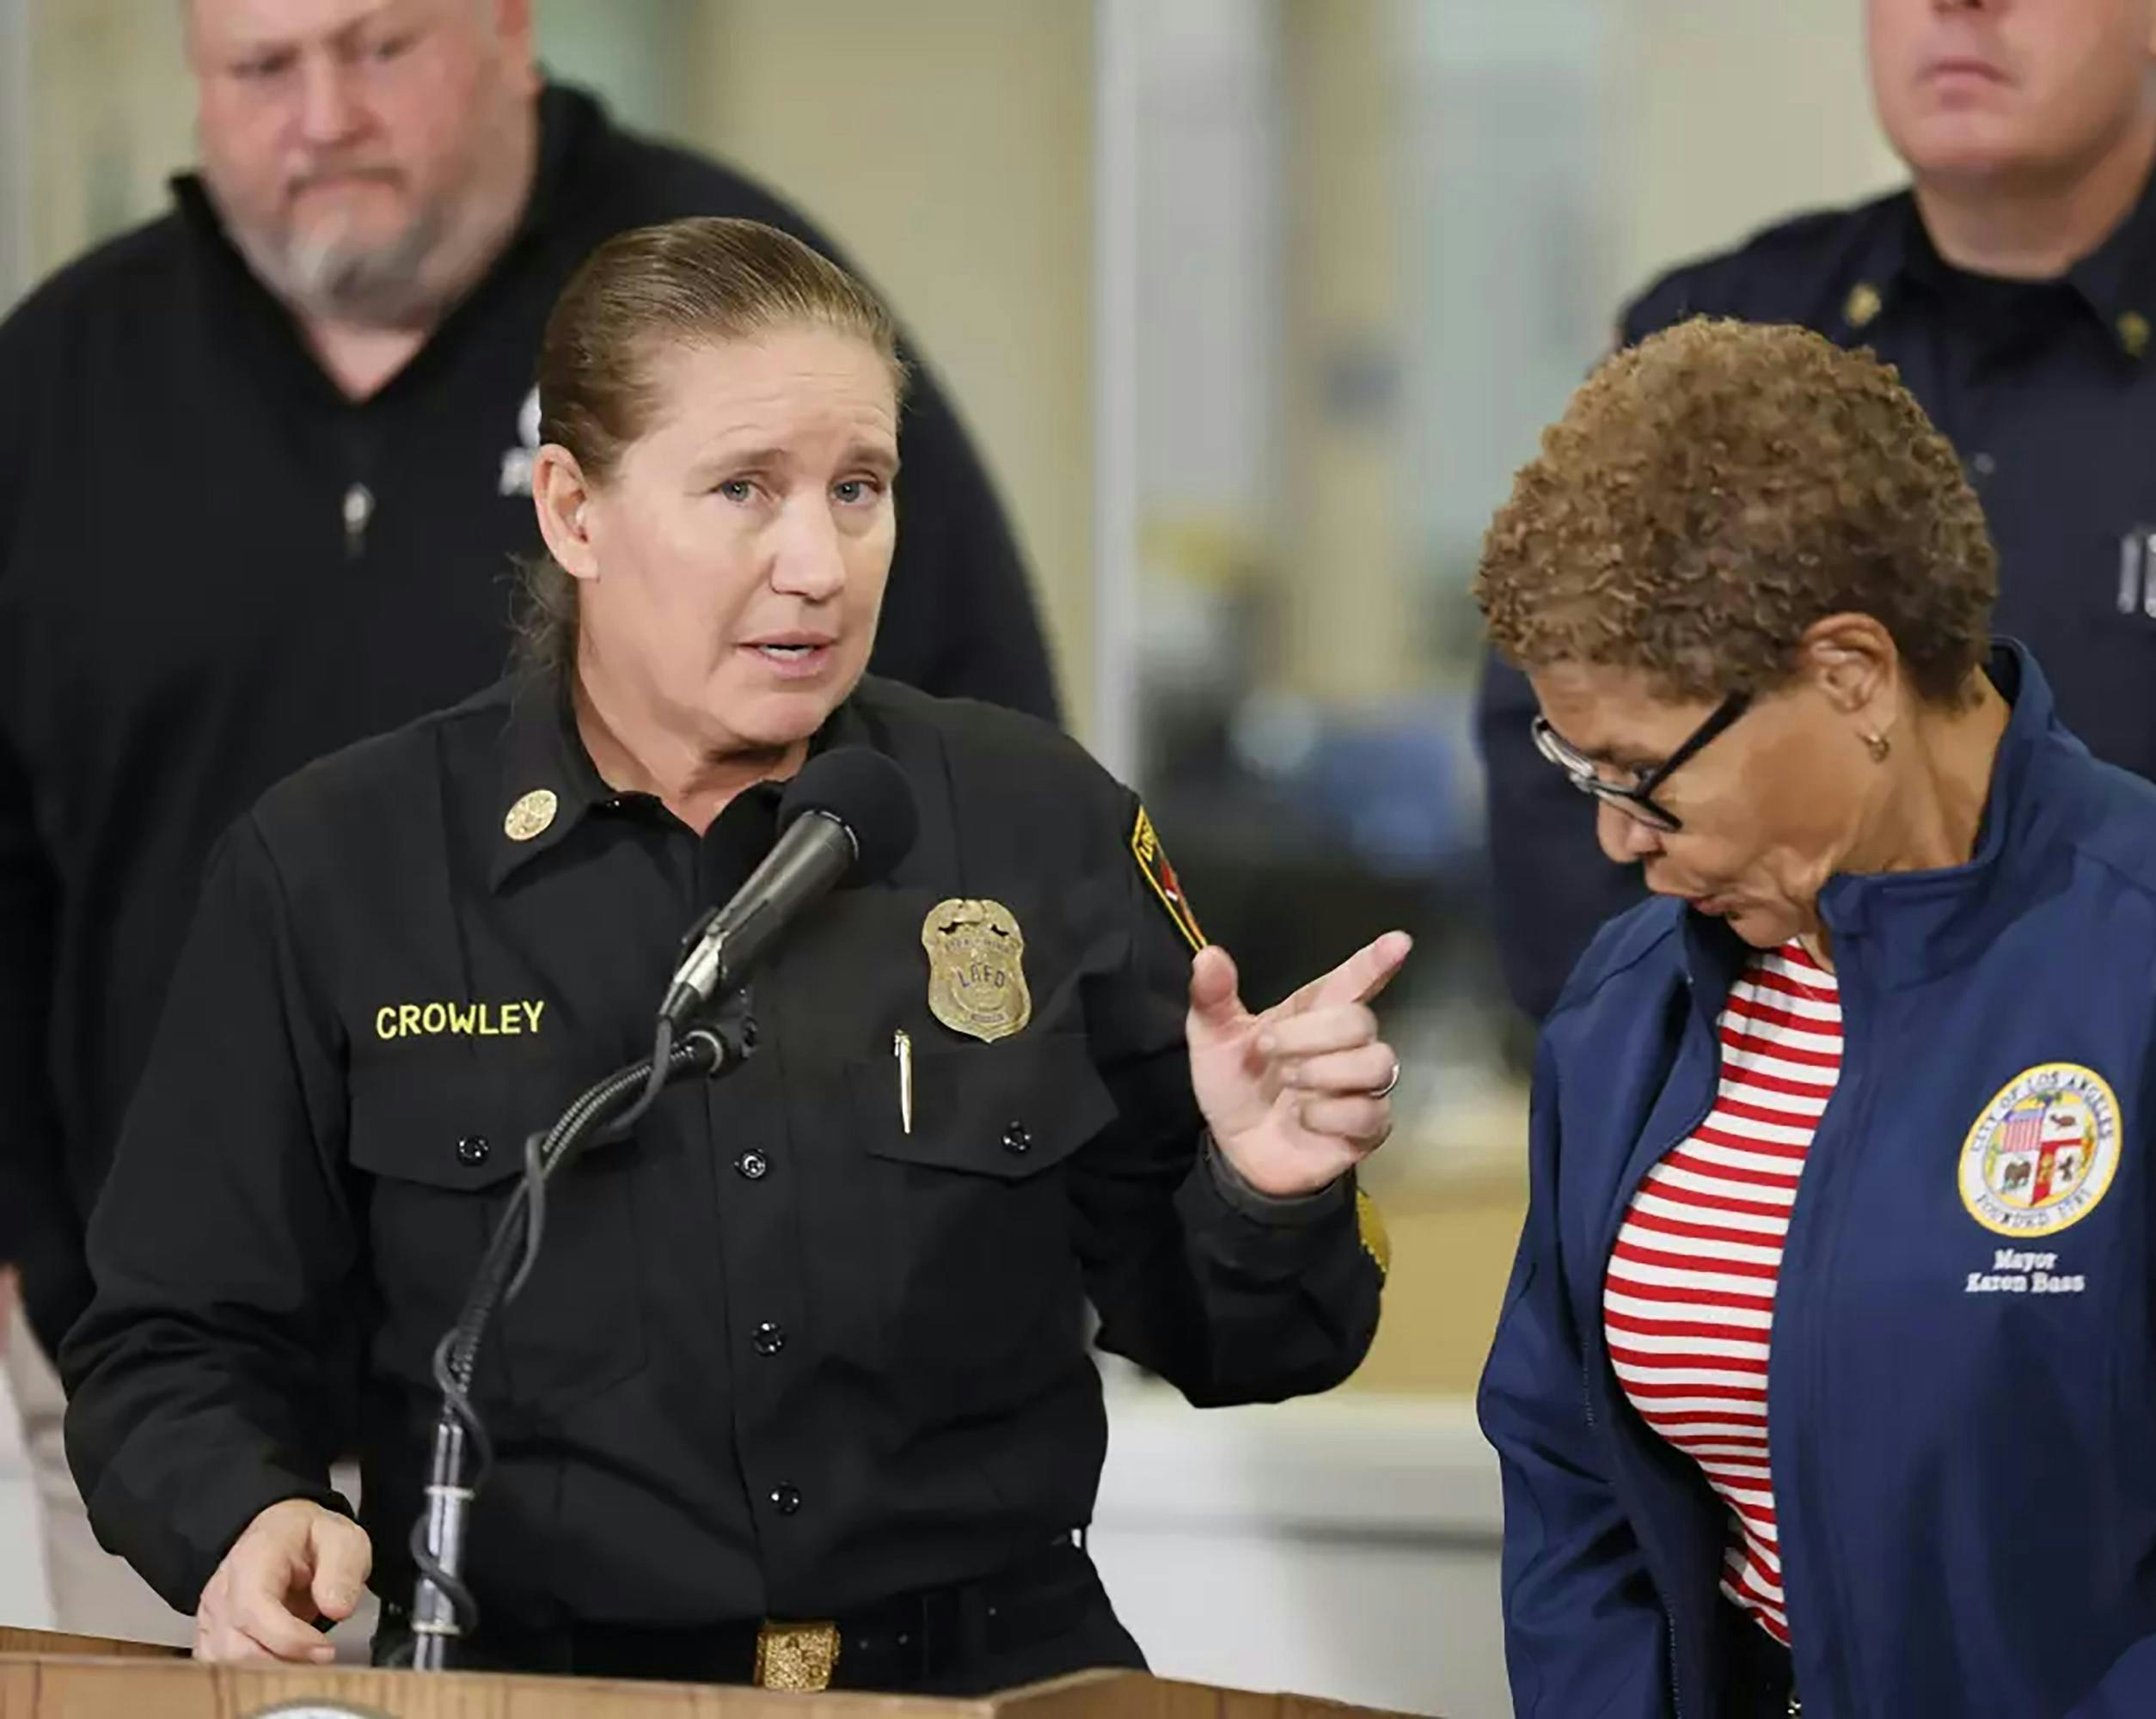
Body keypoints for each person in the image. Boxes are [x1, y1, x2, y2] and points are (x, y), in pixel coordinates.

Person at [56, 217, 1400, 1692]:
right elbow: (169, 1345)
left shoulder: (1033, 823)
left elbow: (1251, 1345)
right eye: (744, 490)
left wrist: (1265, 1192)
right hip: (547, 1688)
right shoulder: (341, 865)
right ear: (575, 511)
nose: (818, 564)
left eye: (858, 488)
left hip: (985, 1679)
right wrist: (244, 1517)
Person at [0, 0, 1057, 1639]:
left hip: (667, 1449)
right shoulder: (65, 380)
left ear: (507, 29)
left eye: (380, 48)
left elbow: (970, 800)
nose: (324, 114)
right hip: (174, 1397)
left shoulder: (721, 309)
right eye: (264, 68)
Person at [1474, 317, 2156, 1717]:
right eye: (1582, 773)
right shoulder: (1631, 1012)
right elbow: (1571, 1491)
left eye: (1643, 774)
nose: (1619, 839)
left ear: (1853, 675)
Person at [1475, 0, 2156, 1100]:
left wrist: (2098, 1101)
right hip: (1757, 1131)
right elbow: (1561, 758)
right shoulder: (1715, 340)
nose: (1959, 5)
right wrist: (1743, 1090)